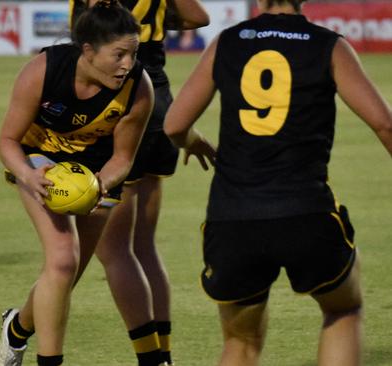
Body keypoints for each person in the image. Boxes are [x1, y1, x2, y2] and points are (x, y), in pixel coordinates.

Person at [164, 0, 392, 365]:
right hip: (307, 214)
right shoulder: (330, 44)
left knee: (241, 342)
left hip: (233, 218)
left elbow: (174, 125)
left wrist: (192, 141)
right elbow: (385, 124)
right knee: (343, 310)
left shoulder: (226, 42)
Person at [0, 2, 154, 365]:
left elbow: (123, 159)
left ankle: (16, 329)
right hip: (39, 159)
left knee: (67, 274)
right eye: (118, 55)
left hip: (97, 170)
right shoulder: (43, 71)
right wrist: (28, 175)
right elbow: (6, 141)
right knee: (63, 259)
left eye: (133, 53)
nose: (127, 64)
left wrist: (98, 184)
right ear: (88, 50)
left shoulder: (138, 88)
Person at [69, 0, 210, 365]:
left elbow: (81, 37)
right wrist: (156, 19)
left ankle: (152, 359)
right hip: (160, 100)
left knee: (114, 250)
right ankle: (164, 353)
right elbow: (199, 17)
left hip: (121, 99)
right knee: (144, 246)